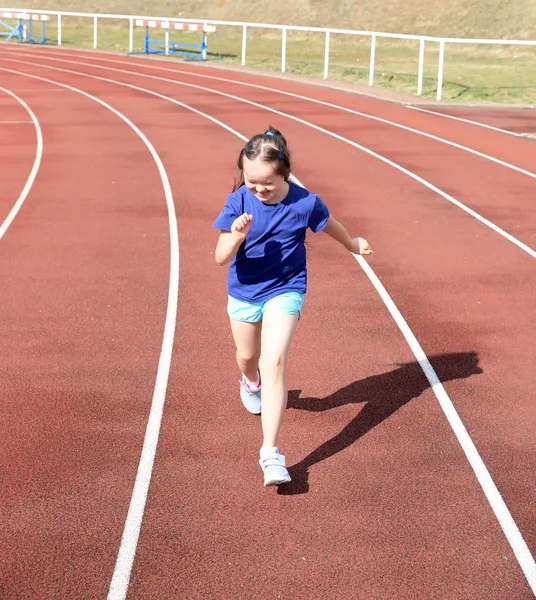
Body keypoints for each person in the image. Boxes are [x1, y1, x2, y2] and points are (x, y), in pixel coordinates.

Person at [212, 126, 372, 487]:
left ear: (284, 171)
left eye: (266, 183)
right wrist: (236, 236)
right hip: (244, 293)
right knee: (247, 357)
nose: (258, 190)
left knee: (275, 360)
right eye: (251, 182)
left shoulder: (305, 202)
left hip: (286, 289)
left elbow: (330, 224)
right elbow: (220, 258)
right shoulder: (238, 200)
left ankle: (271, 453)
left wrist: (352, 244)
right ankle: (249, 381)